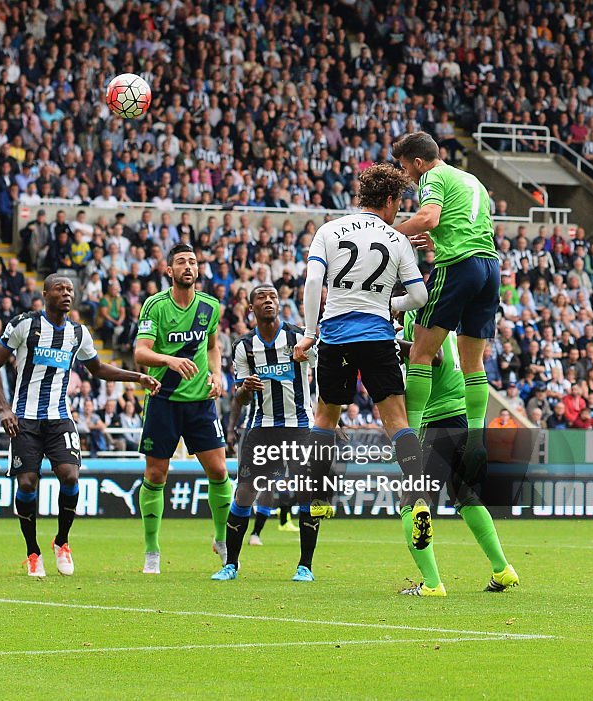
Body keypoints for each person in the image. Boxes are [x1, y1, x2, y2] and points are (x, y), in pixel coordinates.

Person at [293, 163, 437, 594]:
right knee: (396, 420)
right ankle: (417, 498)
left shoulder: (330, 230)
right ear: (391, 200)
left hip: (336, 334)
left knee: (325, 417)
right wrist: (386, 305)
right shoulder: (396, 240)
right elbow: (419, 296)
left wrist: (309, 332)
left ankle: (318, 496)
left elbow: (314, 278)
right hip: (377, 335)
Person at [0, 274, 160, 577]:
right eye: (60, 289)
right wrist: (3, 407)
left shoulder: (78, 333)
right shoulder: (24, 325)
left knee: (69, 476)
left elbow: (98, 368)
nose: (67, 293)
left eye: (70, 289)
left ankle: (62, 541)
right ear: (45, 294)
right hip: (25, 418)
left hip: (60, 418)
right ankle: (32, 552)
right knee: (27, 483)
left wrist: (138, 377)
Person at [393, 132, 499, 477]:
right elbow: (461, 225)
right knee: (473, 362)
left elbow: (429, 218)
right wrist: (433, 239)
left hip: (458, 266)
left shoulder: (433, 176)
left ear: (419, 162)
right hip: (489, 267)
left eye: (406, 167)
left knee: (420, 353)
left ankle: (410, 434)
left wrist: (387, 232)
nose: (407, 175)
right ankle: (477, 440)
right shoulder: (471, 180)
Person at [400, 308, 519, 593]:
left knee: (411, 500)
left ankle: (431, 584)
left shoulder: (413, 313)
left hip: (436, 417)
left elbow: (433, 357)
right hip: (463, 413)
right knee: (465, 496)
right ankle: (502, 569)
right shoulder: (449, 311)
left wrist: (389, 343)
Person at [211, 284, 325, 582]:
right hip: (262, 428)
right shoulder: (244, 347)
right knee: (245, 492)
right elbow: (240, 396)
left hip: (300, 425)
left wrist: (330, 419)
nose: (268, 301)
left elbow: (324, 376)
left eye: (273, 296)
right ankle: (231, 565)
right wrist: (240, 408)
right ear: (251, 308)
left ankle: (305, 567)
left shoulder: (300, 338)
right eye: (261, 297)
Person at [135, 243, 231, 575]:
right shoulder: (155, 306)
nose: (188, 266)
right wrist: (169, 360)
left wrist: (217, 375)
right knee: (156, 474)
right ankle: (152, 551)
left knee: (219, 471)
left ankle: (222, 540)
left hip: (200, 403)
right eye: (181, 262)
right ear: (169, 271)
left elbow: (214, 347)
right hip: (163, 400)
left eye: (192, 261)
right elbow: (141, 353)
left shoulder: (210, 306)